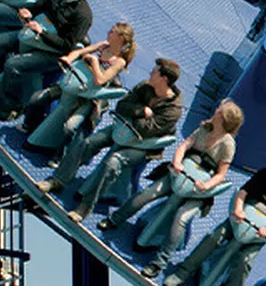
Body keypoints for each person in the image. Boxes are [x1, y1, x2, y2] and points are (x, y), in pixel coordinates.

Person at [99, 100, 244, 270]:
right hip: (180, 174)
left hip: (198, 187)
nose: (216, 110)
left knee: (181, 219)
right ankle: (115, 219)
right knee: (147, 194)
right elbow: (185, 145)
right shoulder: (205, 128)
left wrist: (206, 185)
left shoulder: (227, 145)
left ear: (225, 120)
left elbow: (221, 174)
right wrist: (177, 162)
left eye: (220, 111)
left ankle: (159, 262)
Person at [38, 58, 184, 223]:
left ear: (164, 79)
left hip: (141, 145)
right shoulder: (145, 86)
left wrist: (134, 114)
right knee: (88, 143)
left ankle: (85, 206)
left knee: (112, 163)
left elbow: (148, 129)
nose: (150, 73)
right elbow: (122, 105)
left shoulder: (173, 110)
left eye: (154, 72)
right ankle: (58, 180)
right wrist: (141, 111)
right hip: (122, 128)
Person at [164, 142, 266, 286]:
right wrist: (238, 210)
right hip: (240, 220)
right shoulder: (264, 175)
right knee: (214, 237)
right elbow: (243, 193)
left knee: (245, 261)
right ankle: (183, 272)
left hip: (259, 233)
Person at [0, 0, 95, 118]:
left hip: (52, 51)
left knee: (14, 65)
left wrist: (42, 33)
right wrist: (29, 11)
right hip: (34, 37)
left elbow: (67, 45)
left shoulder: (82, 14)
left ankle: (12, 106)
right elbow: (40, 5)